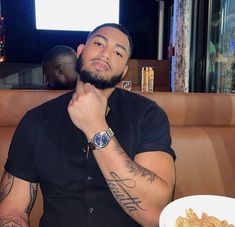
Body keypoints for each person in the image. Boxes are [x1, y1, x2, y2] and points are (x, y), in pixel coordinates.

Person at [0, 23, 176, 227]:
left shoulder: (148, 115)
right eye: (99, 43)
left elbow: (155, 214)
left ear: (124, 71)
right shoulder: (36, 121)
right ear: (80, 51)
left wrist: (96, 127)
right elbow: (11, 210)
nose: (106, 54)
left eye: (118, 53)